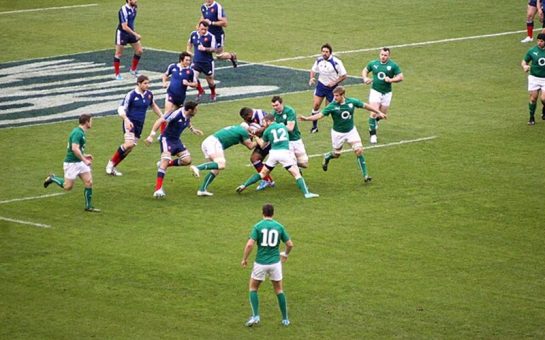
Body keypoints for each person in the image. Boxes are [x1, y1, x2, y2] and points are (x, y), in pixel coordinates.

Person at [299, 86, 386, 183]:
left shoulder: (352, 102)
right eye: (334, 96)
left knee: (359, 151)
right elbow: (320, 115)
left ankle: (365, 175)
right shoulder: (332, 106)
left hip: (351, 131)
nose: (334, 98)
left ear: (342, 95)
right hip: (338, 133)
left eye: (336, 96)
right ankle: (328, 156)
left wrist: (378, 112)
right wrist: (307, 118)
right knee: (336, 155)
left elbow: (365, 105)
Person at [236, 114, 319, 199]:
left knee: (262, 174)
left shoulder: (267, 131)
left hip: (273, 154)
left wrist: (256, 137)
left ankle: (244, 185)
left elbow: (262, 145)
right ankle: (307, 193)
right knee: (297, 174)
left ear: (269, 121)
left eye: (264, 122)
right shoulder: (283, 126)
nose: (263, 124)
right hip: (284, 154)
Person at [241, 203, 293, 327]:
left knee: (253, 288)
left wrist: (244, 259)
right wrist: (285, 254)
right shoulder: (279, 226)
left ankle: (256, 316)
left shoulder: (258, 226)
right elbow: (290, 244)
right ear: (273, 213)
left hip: (260, 263)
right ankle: (285, 319)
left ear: (262, 213)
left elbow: (249, 245)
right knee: (279, 290)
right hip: (275, 263)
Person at [106, 75, 163, 176]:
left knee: (129, 149)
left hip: (139, 125)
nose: (147, 85)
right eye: (145, 83)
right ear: (139, 83)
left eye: (148, 83)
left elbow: (153, 105)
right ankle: (110, 163)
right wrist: (126, 120)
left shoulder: (149, 94)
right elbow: (121, 109)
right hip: (130, 123)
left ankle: (114, 167)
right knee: (128, 144)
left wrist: (163, 116)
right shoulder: (131, 95)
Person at [189, 112, 257, 196]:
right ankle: (197, 168)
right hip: (214, 142)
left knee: (215, 169)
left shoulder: (237, 129)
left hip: (208, 142)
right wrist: (260, 140)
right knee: (221, 164)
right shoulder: (243, 131)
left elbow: (246, 143)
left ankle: (202, 190)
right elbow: (250, 146)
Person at [144, 101, 203, 198]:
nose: (197, 111)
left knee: (187, 160)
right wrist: (151, 136)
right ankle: (158, 189)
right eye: (195, 109)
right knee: (165, 160)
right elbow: (160, 121)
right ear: (189, 110)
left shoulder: (188, 115)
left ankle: (163, 164)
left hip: (176, 140)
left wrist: (193, 129)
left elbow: (187, 120)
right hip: (167, 140)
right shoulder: (175, 114)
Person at [43, 114, 100, 212]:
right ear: (86, 122)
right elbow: (74, 148)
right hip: (72, 163)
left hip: (79, 162)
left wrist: (84, 155)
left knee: (89, 182)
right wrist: (85, 160)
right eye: (91, 121)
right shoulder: (78, 133)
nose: (92, 123)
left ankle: (88, 206)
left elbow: (76, 149)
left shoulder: (80, 132)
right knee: (67, 187)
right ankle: (52, 178)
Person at [361, 47, 403, 144]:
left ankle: (376, 121)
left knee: (382, 114)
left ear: (388, 56)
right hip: (375, 91)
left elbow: (401, 77)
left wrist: (391, 80)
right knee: (373, 112)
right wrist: (365, 78)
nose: (383, 57)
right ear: (379, 54)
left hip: (387, 93)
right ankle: (373, 135)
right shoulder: (373, 63)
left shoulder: (393, 65)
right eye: (382, 55)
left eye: (385, 55)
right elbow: (365, 70)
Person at [308, 43, 347, 133]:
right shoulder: (319, 60)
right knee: (316, 105)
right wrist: (312, 77)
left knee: (329, 109)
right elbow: (313, 70)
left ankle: (340, 126)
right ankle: (314, 127)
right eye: (323, 51)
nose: (324, 53)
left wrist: (334, 82)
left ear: (330, 53)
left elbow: (344, 75)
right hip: (321, 86)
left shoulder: (336, 62)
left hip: (332, 89)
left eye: (326, 52)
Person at [239, 107, 276, 191]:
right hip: (261, 139)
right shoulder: (249, 120)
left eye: (245, 118)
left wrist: (255, 131)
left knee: (256, 158)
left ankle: (267, 180)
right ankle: (267, 180)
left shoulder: (260, 114)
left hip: (269, 139)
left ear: (249, 114)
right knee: (255, 159)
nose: (245, 121)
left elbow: (268, 125)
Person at [271, 96, 309, 169]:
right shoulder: (273, 115)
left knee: (304, 164)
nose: (275, 107)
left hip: (295, 138)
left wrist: (280, 126)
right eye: (273, 106)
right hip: (285, 141)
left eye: (276, 105)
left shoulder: (289, 111)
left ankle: (290, 163)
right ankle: (293, 167)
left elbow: (290, 128)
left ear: (281, 104)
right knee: (292, 163)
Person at [198, 0, 237, 67]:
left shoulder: (217, 7)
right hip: (207, 35)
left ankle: (231, 56)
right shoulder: (203, 7)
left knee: (219, 56)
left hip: (217, 35)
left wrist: (212, 23)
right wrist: (199, 26)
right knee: (203, 50)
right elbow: (203, 17)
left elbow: (225, 23)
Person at [187, 21, 218, 102]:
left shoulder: (211, 36)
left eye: (205, 29)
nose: (203, 31)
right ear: (198, 27)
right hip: (196, 62)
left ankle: (213, 92)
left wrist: (205, 49)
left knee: (210, 81)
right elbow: (189, 43)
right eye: (202, 29)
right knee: (192, 78)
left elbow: (214, 49)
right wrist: (189, 51)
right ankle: (200, 90)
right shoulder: (193, 34)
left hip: (207, 62)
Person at [114, 0, 143, 80]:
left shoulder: (134, 8)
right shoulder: (123, 10)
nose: (136, 0)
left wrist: (134, 32)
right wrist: (135, 34)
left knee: (139, 51)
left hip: (131, 32)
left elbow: (131, 22)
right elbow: (124, 26)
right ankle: (117, 74)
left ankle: (133, 70)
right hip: (122, 33)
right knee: (118, 54)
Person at [522, 33, 545, 125]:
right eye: (538, 41)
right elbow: (524, 61)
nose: (539, 43)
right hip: (534, 78)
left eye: (542, 41)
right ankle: (531, 117)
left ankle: (544, 108)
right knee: (533, 99)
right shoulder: (532, 50)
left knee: (544, 99)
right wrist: (524, 66)